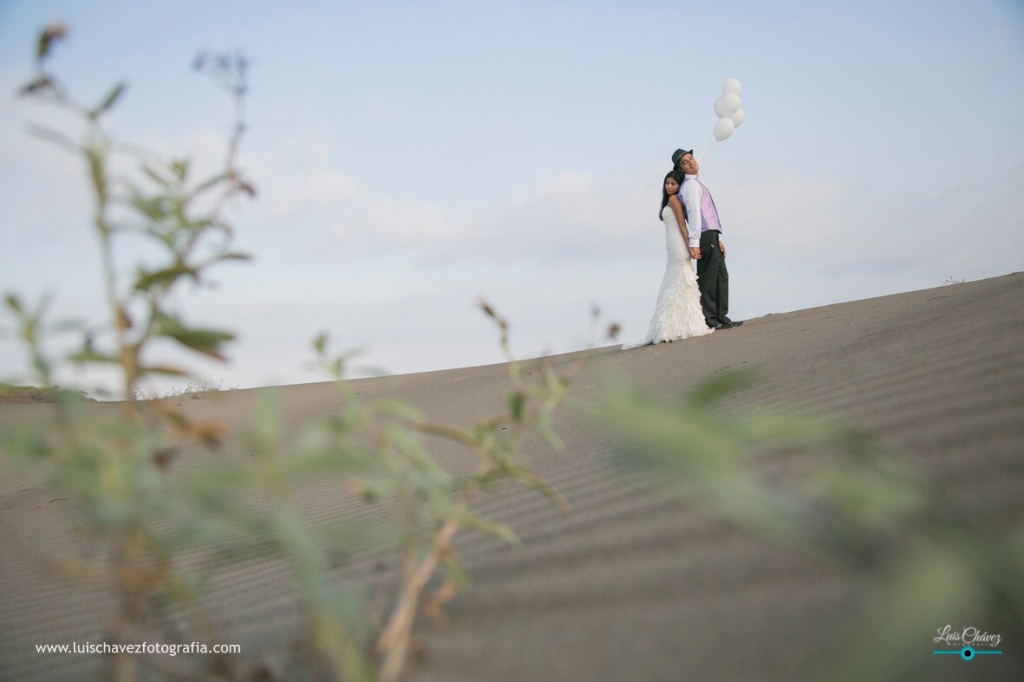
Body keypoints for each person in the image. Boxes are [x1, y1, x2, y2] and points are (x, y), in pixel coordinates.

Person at [625, 170, 713, 348]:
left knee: (680, 280)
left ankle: (682, 325)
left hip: (679, 243)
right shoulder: (669, 200)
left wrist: (690, 245)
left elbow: (682, 224)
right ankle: (674, 325)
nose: (670, 186)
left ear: (679, 185)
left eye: (673, 183)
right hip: (672, 244)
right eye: (667, 183)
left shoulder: (674, 201)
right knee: (675, 281)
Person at [672, 148, 742, 329]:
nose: (691, 162)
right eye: (685, 162)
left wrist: (717, 239)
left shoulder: (699, 182)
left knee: (721, 276)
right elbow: (694, 214)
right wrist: (694, 243)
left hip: (711, 234)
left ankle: (721, 316)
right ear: (681, 169)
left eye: (691, 158)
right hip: (703, 235)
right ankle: (709, 319)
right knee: (708, 278)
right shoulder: (691, 186)